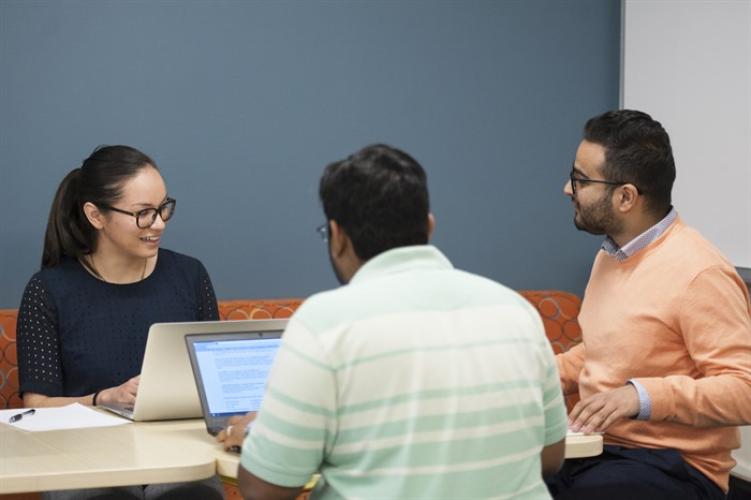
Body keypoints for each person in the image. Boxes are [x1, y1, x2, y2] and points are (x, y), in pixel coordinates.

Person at [224, 144, 568, 499]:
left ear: (337, 235)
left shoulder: (324, 324)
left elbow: (266, 489)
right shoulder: (516, 311)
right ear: (429, 225)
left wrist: (259, 436)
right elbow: (551, 456)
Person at [548, 110, 751, 499]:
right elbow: (602, 353)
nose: (567, 189)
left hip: (677, 467)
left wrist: (641, 396)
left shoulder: (700, 272)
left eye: (580, 180)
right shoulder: (611, 256)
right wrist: (531, 376)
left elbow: (744, 388)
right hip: (601, 451)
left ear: (625, 197)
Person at [17, 145, 224, 500]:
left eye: (163, 209)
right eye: (143, 213)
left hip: (177, 455)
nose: (158, 223)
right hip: (83, 459)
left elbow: (216, 381)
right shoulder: (48, 290)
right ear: (96, 216)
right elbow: (36, 408)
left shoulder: (190, 276)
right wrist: (103, 399)